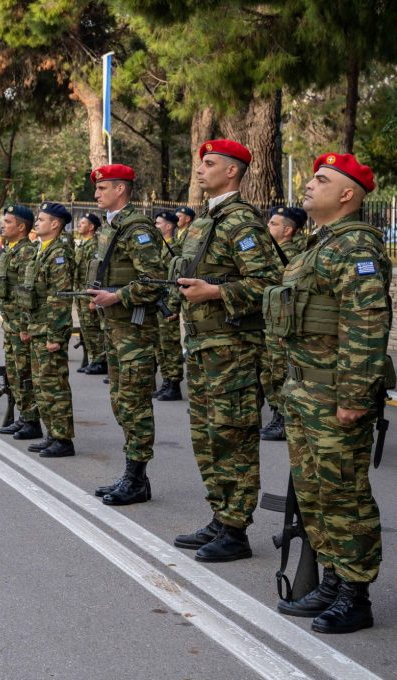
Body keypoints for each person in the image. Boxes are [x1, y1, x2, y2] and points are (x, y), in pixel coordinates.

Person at [268, 153, 388, 634]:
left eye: (322, 179)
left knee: (344, 495)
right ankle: (334, 579)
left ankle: (356, 596)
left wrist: (354, 396)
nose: (309, 184)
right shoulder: (318, 245)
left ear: (347, 194)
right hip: (304, 391)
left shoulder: (356, 246)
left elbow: (365, 324)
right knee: (314, 492)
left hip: (334, 394)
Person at [172, 140, 283, 562]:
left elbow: (269, 283)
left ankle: (236, 529)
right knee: (207, 437)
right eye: (201, 162)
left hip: (233, 350)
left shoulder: (241, 223)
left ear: (233, 172)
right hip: (204, 347)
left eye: (210, 163)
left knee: (232, 437)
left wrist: (215, 291)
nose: (201, 169)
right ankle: (221, 516)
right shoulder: (206, 219)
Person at [86, 164, 165, 506]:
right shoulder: (113, 226)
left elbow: (154, 278)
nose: (96, 194)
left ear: (120, 189)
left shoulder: (136, 228)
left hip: (134, 329)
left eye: (102, 188)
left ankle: (136, 477)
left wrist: (116, 296)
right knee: (122, 402)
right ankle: (133, 475)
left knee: (134, 403)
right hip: (116, 328)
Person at [23, 203, 76, 457]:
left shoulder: (59, 253)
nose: (37, 222)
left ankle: (63, 438)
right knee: (41, 383)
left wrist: (56, 334)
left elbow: (61, 297)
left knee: (54, 384)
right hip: (37, 325)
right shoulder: (40, 250)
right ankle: (52, 433)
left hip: (49, 328)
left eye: (42, 219)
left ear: (55, 224)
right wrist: (27, 325)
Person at [260, 205, 309, 441]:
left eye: (273, 224)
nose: (268, 226)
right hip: (271, 322)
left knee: (279, 373)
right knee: (269, 373)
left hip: (282, 325)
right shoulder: (273, 251)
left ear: (288, 230)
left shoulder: (293, 255)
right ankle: (277, 414)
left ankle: (283, 419)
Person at [0, 206, 42, 439]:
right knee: (14, 372)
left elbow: (27, 292)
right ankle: (24, 416)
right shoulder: (9, 251)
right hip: (10, 323)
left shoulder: (26, 253)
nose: (2, 226)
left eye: (8, 222)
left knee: (24, 373)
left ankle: (32, 421)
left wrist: (25, 326)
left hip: (19, 324)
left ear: (21, 227)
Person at [152, 210, 184, 401]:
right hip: (157, 302)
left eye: (159, 223)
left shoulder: (175, 249)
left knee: (170, 344)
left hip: (167, 303)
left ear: (169, 226)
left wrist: (172, 306)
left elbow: (177, 280)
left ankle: (174, 384)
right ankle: (165, 381)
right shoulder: (158, 247)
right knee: (160, 345)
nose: (155, 226)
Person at [74, 214, 107, 375]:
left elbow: (95, 273)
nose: (79, 225)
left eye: (82, 223)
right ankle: (93, 359)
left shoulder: (94, 245)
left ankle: (100, 360)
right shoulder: (82, 244)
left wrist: (94, 299)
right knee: (86, 329)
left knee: (94, 328)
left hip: (88, 295)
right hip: (80, 294)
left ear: (91, 227)